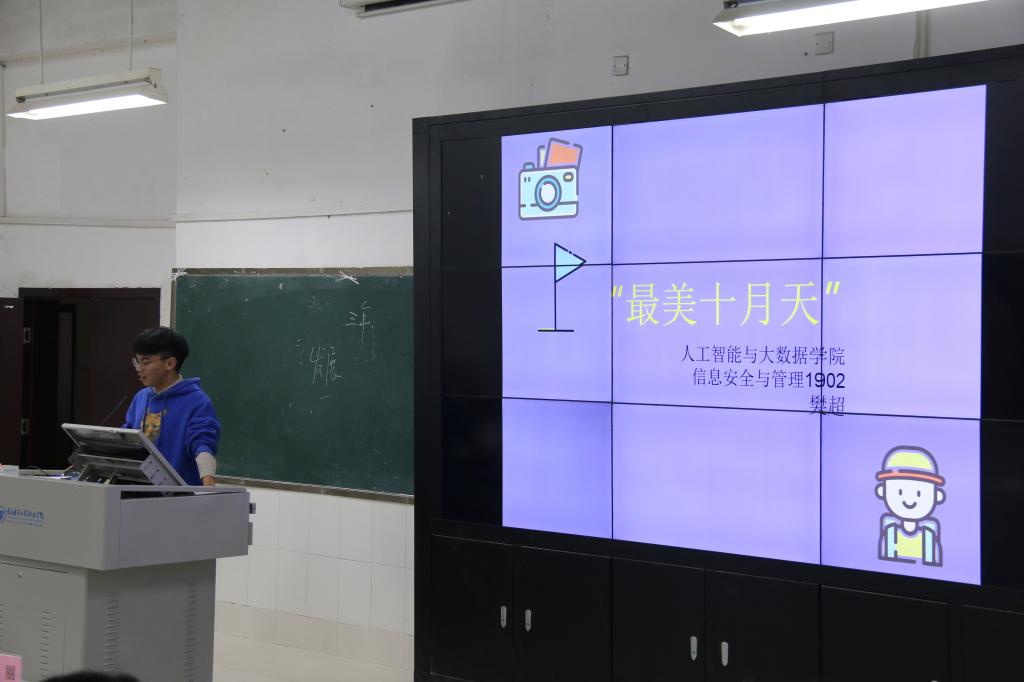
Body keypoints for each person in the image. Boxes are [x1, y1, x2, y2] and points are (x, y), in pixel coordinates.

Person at [122, 327, 220, 486]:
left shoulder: (197, 402)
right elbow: (127, 440)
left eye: (145, 362)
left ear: (170, 363)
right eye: (137, 361)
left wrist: (209, 491)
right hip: (139, 492)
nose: (139, 368)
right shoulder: (141, 398)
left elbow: (203, 446)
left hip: (179, 496)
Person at [875, 446, 945, 567]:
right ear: (882, 491)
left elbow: (932, 561)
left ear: (937, 495)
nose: (909, 500)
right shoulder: (890, 530)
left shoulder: (929, 534)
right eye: (900, 492)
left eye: (919, 493)